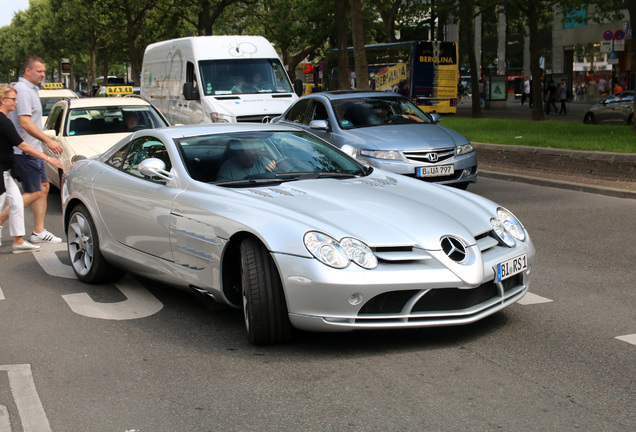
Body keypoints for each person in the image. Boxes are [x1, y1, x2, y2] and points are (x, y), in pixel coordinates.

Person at [0, 56, 64, 244]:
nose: (43, 74)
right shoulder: (23, 91)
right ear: (28, 71)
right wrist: (47, 141)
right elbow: (25, 122)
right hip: (26, 152)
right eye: (39, 71)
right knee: (34, 192)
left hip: (32, 150)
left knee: (42, 188)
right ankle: (4, 222)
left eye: (44, 71)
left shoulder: (31, 90)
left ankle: (38, 231)